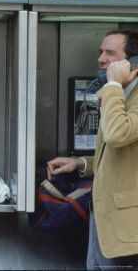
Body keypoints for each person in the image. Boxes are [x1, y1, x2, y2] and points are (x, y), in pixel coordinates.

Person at [47, 29, 138, 270]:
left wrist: (114, 84)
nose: (101, 59)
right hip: (104, 221)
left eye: (110, 53)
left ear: (133, 62)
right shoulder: (118, 96)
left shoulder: (124, 95)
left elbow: (118, 134)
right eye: (100, 52)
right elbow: (121, 154)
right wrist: (81, 164)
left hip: (129, 229)